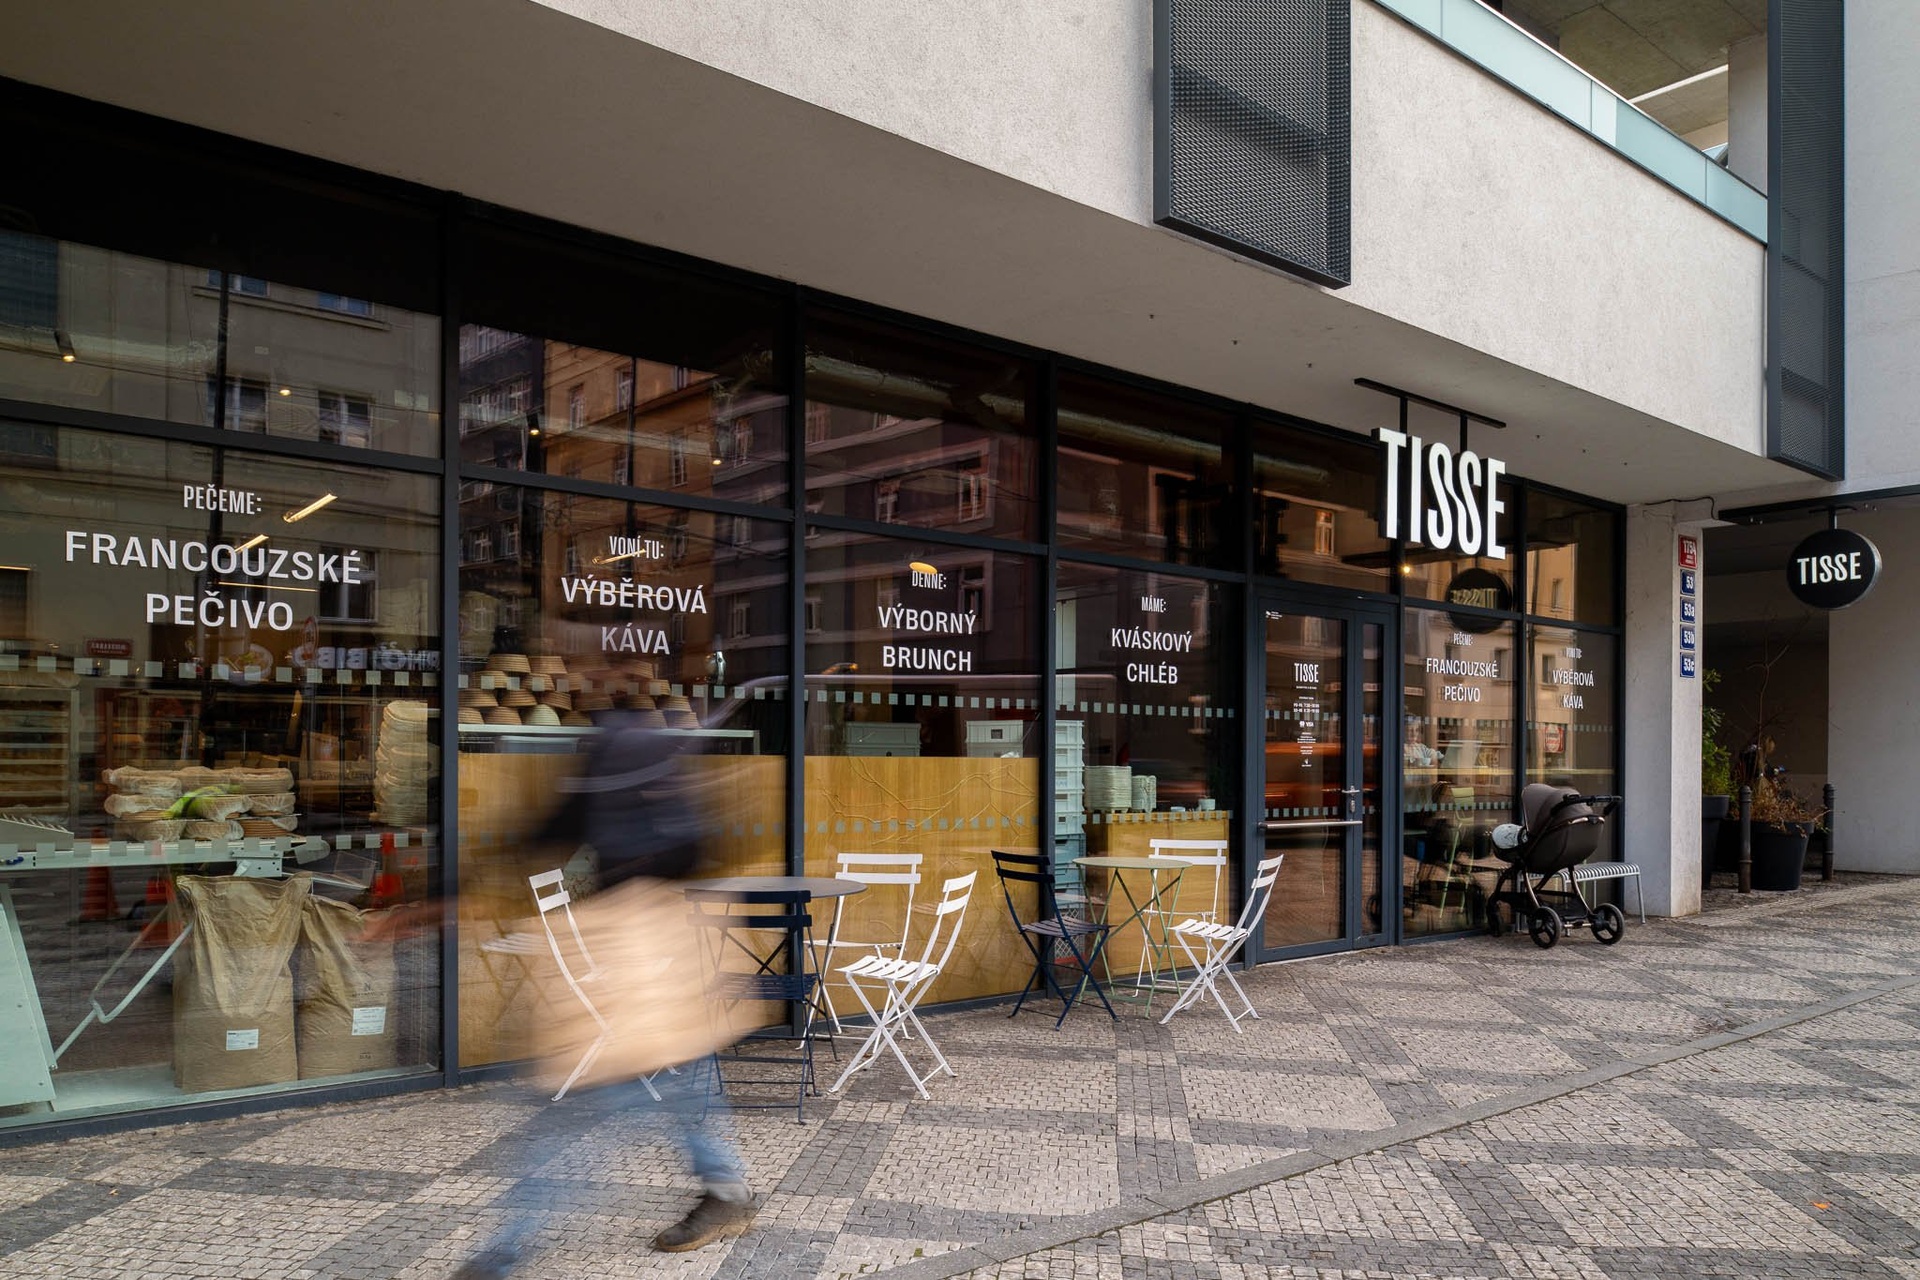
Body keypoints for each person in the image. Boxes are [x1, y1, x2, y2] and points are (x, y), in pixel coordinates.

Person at [453, 718, 755, 1277]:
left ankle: (504, 1251)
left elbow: (683, 846)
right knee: (680, 1087)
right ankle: (726, 1193)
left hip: (647, 959)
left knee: (575, 1116)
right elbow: (560, 826)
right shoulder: (620, 751)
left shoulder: (633, 749)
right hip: (638, 960)